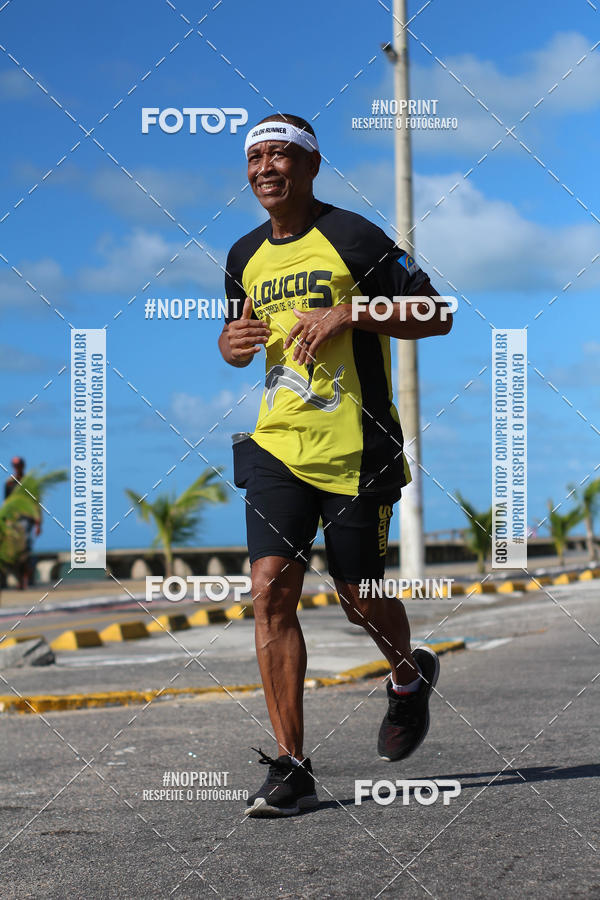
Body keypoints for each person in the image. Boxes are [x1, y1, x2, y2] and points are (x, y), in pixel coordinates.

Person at [218, 113, 453, 817]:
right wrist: (230, 343)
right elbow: (239, 339)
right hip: (276, 446)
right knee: (270, 591)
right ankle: (291, 768)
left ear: (312, 166)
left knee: (357, 599)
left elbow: (435, 314)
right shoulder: (241, 255)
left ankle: (409, 677)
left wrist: (351, 315)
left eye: (281, 155)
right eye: (255, 156)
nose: (266, 167)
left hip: (358, 448)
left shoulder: (355, 237)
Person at [4, 456, 41, 589]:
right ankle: (21, 578)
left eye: (18, 464)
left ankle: (24, 579)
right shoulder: (9, 483)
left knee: (24, 549)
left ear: (22, 466)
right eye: (14, 465)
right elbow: (6, 504)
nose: (16, 467)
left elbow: (36, 504)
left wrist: (38, 523)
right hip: (13, 520)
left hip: (27, 519)